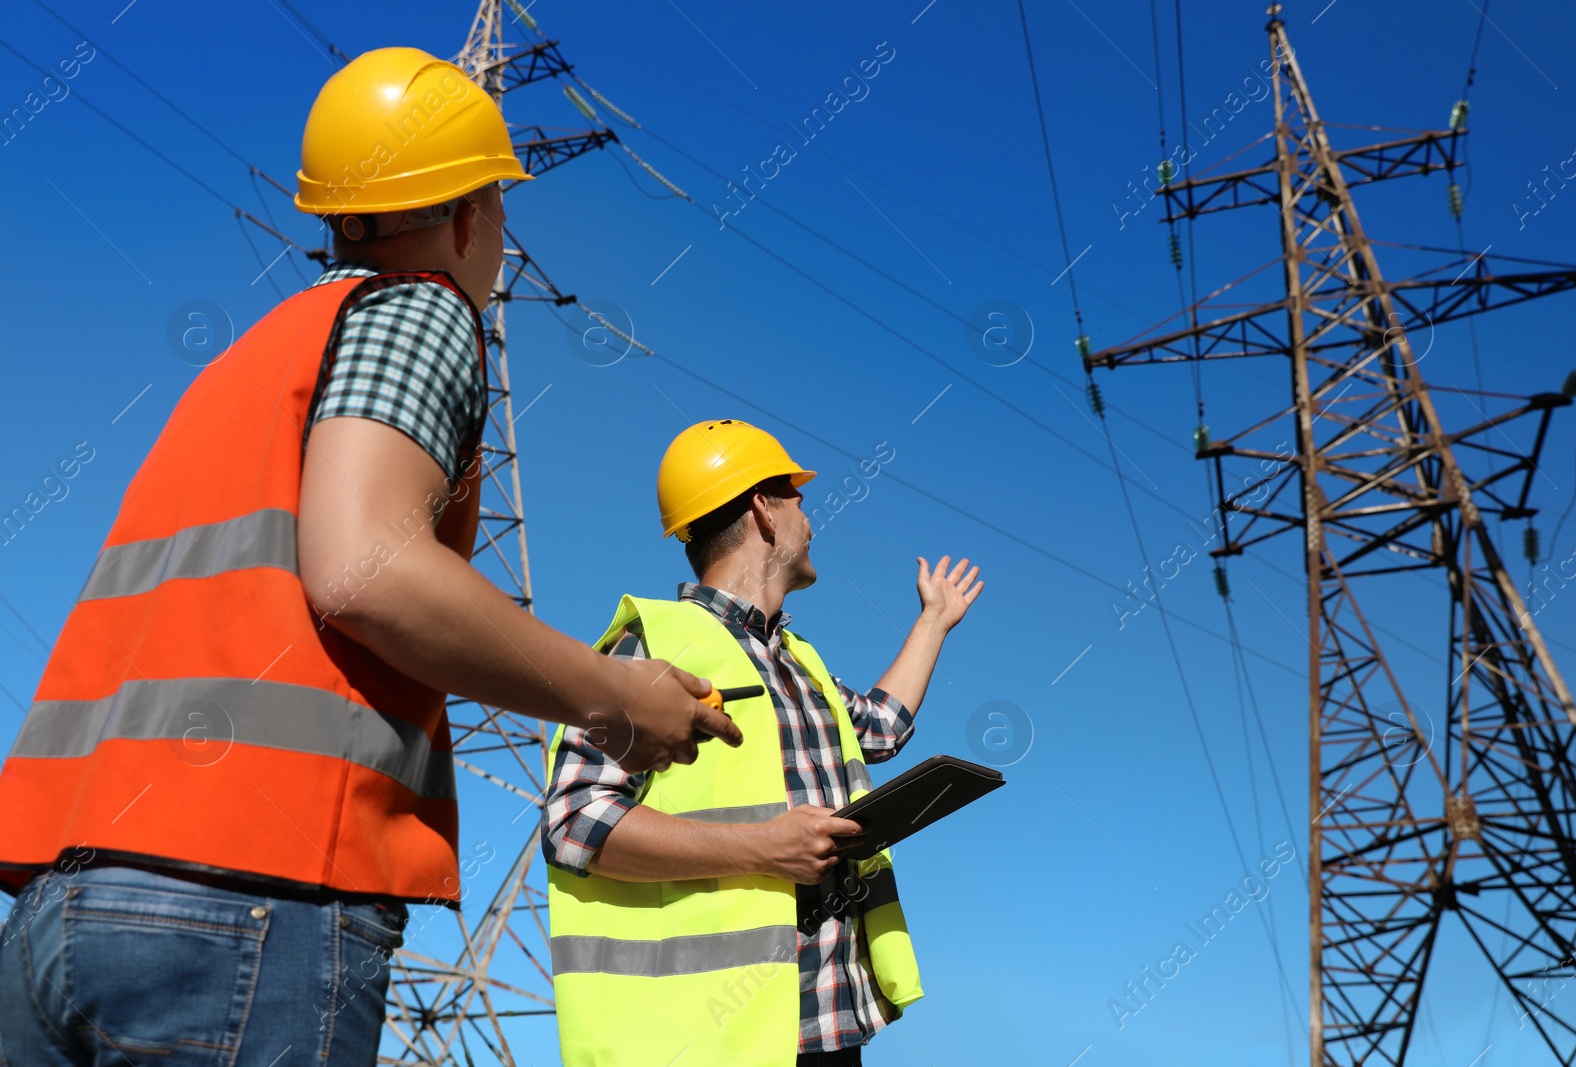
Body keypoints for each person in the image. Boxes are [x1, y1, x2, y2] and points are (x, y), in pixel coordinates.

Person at [0, 48, 738, 1065]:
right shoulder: (421, 307)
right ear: (476, 213)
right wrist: (613, 696)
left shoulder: (251, 362)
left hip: (60, 910)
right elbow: (365, 568)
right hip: (244, 896)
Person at [541, 419, 985, 1067]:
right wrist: (763, 847)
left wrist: (934, 621)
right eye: (797, 496)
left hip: (827, 1024)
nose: (811, 516)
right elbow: (575, 821)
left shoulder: (800, 664)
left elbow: (881, 726)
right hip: (713, 1039)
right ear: (764, 509)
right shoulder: (650, 648)